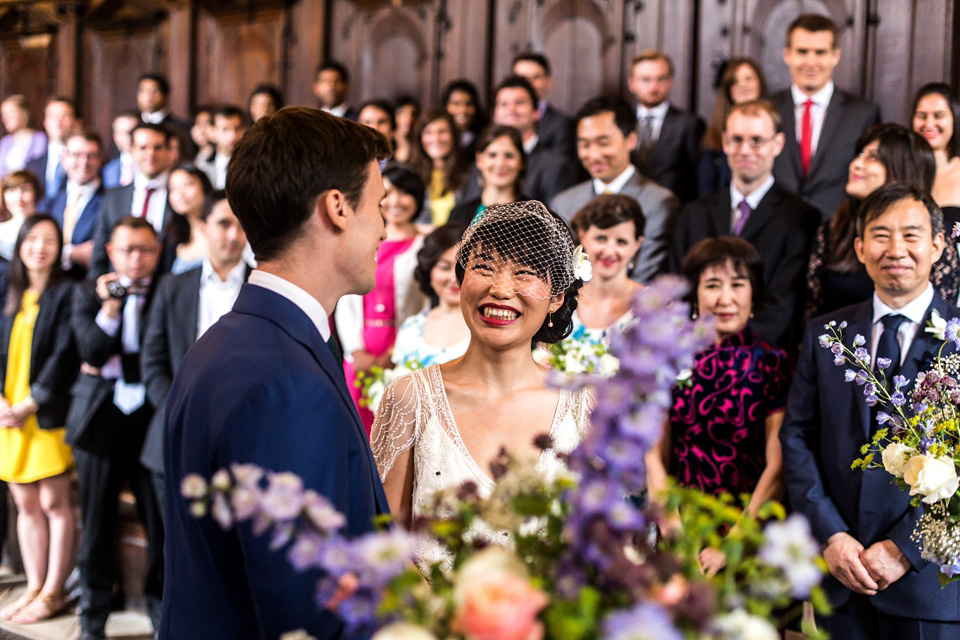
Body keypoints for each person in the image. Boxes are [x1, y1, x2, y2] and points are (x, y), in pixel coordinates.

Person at [161, 107, 390, 639]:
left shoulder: (228, 341)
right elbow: (307, 609)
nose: (383, 226)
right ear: (336, 208)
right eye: (378, 206)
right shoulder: (284, 382)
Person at [781, 182, 960, 639]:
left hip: (928, 586)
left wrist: (904, 549)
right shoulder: (826, 334)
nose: (895, 249)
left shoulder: (957, 339)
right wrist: (831, 537)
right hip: (840, 575)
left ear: (938, 245)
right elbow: (797, 435)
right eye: (880, 235)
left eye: (911, 235)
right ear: (860, 248)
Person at [371, 201, 591, 561]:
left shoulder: (586, 402)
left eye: (524, 273)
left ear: (557, 297)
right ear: (460, 281)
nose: (501, 289)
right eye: (484, 267)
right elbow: (383, 541)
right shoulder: (410, 397)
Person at [68, 216, 164, 640]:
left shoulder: (168, 292)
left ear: (158, 253)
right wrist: (111, 305)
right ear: (111, 252)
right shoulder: (87, 293)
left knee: (158, 525)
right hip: (100, 418)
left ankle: (162, 615)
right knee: (96, 525)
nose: (136, 259)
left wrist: (111, 362)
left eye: (145, 249)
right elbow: (90, 348)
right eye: (128, 250)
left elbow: (158, 358)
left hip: (150, 418)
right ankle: (93, 621)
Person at [649, 237, 788, 511]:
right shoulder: (671, 357)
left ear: (753, 293)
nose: (726, 299)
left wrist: (735, 540)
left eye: (737, 284)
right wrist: (673, 528)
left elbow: (778, 468)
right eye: (713, 285)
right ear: (695, 295)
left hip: (747, 529)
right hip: (680, 520)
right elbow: (654, 455)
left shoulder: (774, 362)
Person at [670, 100, 820, 351]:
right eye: (737, 140)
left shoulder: (801, 218)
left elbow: (782, 305)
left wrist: (727, 354)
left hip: (762, 360)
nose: (746, 150)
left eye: (757, 140)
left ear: (778, 144)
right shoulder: (692, 214)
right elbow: (677, 291)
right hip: (691, 354)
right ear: (725, 142)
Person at [141, 194, 249, 513]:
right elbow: (153, 361)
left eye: (243, 226)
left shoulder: (265, 287)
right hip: (178, 434)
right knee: (175, 549)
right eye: (224, 224)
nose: (234, 235)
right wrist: (178, 409)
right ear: (202, 227)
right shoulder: (173, 287)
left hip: (243, 441)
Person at [0, 214, 77, 624]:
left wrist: (32, 402)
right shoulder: (11, 291)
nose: (39, 247)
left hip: (45, 413)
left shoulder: (67, 292)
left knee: (54, 502)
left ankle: (54, 591)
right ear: (21, 246)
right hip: (7, 414)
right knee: (25, 503)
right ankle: (33, 586)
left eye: (49, 240)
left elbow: (66, 354)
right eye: (32, 239)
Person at [806, 123, 959, 318]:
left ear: (903, 167)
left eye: (873, 157)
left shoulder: (933, 234)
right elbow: (812, 313)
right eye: (859, 155)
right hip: (841, 344)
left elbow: (944, 322)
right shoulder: (835, 229)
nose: (856, 164)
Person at [336, 163, 426, 432]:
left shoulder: (425, 246)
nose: (395, 201)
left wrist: (394, 352)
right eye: (388, 193)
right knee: (356, 428)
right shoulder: (360, 239)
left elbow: (421, 304)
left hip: (402, 350)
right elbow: (345, 296)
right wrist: (356, 351)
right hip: (359, 351)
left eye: (404, 193)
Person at [551, 96, 679, 284]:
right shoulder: (563, 202)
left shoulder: (658, 202)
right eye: (585, 144)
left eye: (603, 143)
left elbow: (643, 274)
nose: (593, 155)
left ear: (631, 140)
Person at [770, 13, 880, 220]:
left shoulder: (863, 113)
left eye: (820, 52)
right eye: (802, 51)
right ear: (787, 54)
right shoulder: (767, 108)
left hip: (836, 230)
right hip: (776, 230)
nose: (811, 62)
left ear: (835, 55)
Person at [91, 122, 175, 277]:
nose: (151, 154)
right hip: (119, 289)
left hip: (167, 289)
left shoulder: (179, 197)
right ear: (132, 151)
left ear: (169, 151)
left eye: (158, 147)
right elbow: (99, 254)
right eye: (143, 148)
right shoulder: (113, 197)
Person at [481, 75, 579, 205]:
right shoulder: (483, 161)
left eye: (519, 102)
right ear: (495, 114)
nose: (511, 109)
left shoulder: (556, 166)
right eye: (503, 104)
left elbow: (558, 219)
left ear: (536, 111)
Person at [627, 50, 705, 204]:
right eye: (646, 79)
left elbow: (698, 178)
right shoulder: (622, 122)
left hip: (672, 211)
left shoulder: (689, 124)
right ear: (632, 84)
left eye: (661, 79)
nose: (654, 87)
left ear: (671, 82)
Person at [391, 222, 470, 367]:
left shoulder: (486, 328)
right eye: (444, 267)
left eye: (463, 268)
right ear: (429, 270)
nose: (454, 278)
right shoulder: (411, 327)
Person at [567, 194, 644, 340]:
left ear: (636, 245)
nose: (609, 252)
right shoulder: (562, 302)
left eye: (621, 242)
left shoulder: (654, 306)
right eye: (601, 238)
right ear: (583, 236)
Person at [699, 58, 767, 197]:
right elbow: (706, 188)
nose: (743, 85)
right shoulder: (713, 136)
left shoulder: (778, 129)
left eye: (748, 78)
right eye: (735, 81)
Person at [50, 129, 106, 279]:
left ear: (100, 160)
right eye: (76, 155)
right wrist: (71, 253)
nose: (84, 162)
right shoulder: (50, 200)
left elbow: (98, 252)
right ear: (64, 159)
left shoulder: (110, 202)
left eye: (91, 156)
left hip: (87, 284)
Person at [449, 124, 527, 226]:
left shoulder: (538, 216)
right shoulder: (458, 214)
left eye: (509, 156)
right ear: (479, 160)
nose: (500, 163)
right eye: (492, 155)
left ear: (521, 162)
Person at [912, 83, 960, 232]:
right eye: (922, 116)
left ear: (955, 118)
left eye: (938, 116)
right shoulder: (902, 169)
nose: (929, 124)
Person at [410, 107, 467, 227]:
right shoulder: (412, 174)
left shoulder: (469, 173)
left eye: (442, 132)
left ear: (453, 135)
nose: (435, 138)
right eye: (428, 132)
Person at [512, 51, 575, 158]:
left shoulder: (562, 124)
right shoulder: (501, 118)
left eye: (536, 77)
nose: (529, 84)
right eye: (522, 78)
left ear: (548, 81)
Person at [25, 97, 76, 208]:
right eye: (52, 116)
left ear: (76, 122)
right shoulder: (32, 165)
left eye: (64, 116)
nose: (58, 121)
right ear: (45, 122)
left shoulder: (84, 163)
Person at [165, 165, 214, 274]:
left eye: (188, 184)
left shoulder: (219, 229)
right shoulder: (173, 238)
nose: (180, 193)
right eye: (173, 188)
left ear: (204, 186)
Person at [136, 74, 191, 153]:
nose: (148, 96)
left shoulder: (180, 128)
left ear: (165, 95)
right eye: (143, 91)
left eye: (154, 91)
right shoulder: (131, 125)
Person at [196, 105, 247, 190]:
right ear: (212, 132)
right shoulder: (202, 164)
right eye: (225, 129)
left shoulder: (253, 164)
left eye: (237, 129)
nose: (232, 136)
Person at [0, 95, 46, 178]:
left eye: (10, 113)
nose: (5, 118)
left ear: (24, 113)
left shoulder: (40, 139)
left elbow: (38, 167)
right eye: (3, 114)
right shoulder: (5, 142)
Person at [0, 170, 41, 261]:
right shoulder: (1, 230)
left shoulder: (46, 227)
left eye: (25, 189)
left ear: (36, 193)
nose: (18, 196)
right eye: (11, 190)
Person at [442, 79, 486, 158]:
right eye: (456, 103)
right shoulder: (437, 139)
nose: (463, 110)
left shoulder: (483, 139)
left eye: (469, 104)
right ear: (445, 106)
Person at [102, 111, 140, 189]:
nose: (128, 138)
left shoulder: (151, 165)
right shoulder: (108, 170)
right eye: (122, 133)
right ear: (115, 136)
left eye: (132, 132)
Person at [393, 95, 419, 164]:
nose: (408, 119)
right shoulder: (388, 141)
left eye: (413, 114)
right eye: (401, 113)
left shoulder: (420, 143)